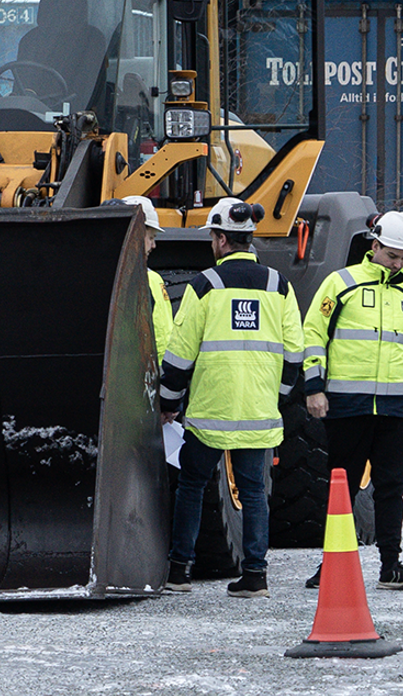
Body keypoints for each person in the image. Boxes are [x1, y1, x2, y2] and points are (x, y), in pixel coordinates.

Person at [160, 197, 303, 597]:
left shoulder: (205, 285)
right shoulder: (279, 285)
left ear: (221, 239)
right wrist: (276, 397)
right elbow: (295, 352)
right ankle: (255, 576)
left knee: (191, 486)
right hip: (259, 413)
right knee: (255, 493)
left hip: (210, 413)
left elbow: (179, 353)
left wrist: (169, 403)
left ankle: (178, 573)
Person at [302, 210, 403, 590]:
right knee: (341, 488)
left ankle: (392, 566)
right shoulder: (340, 283)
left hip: (393, 410)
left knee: (392, 489)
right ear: (374, 247)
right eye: (392, 256)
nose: (399, 264)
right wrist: (313, 386)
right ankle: (333, 565)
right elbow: (313, 333)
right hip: (346, 406)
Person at [120, 195, 173, 366]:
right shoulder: (148, 279)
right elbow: (161, 334)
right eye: (151, 238)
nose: (153, 246)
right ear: (136, 234)